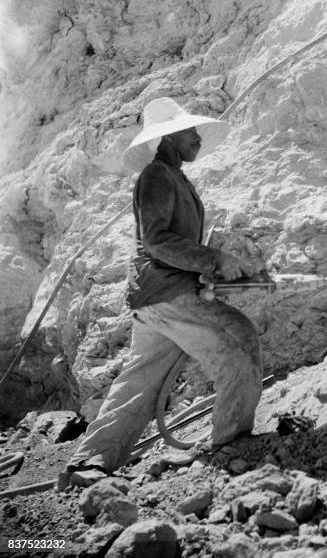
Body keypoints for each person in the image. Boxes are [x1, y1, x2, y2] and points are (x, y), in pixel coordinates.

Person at [61, 97, 263, 484]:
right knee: (239, 340)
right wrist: (212, 258)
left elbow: (166, 244)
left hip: (153, 296)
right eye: (191, 130)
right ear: (169, 135)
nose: (198, 137)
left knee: (141, 379)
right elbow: (156, 241)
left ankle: (90, 462)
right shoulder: (157, 175)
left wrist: (204, 269)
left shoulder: (174, 176)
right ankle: (230, 444)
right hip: (165, 294)